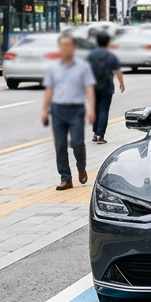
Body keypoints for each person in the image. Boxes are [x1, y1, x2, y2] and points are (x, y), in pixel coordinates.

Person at [42, 34, 96, 191]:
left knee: (77, 142)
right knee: (60, 145)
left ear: (74, 47)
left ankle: (81, 167)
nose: (64, 48)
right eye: (61, 45)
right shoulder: (53, 68)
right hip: (57, 109)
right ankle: (65, 178)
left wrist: (91, 109)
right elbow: (49, 89)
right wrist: (44, 110)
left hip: (76, 110)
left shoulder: (83, 67)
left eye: (67, 45)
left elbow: (89, 88)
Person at [86, 32, 125, 145]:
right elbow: (118, 71)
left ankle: (94, 133)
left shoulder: (91, 55)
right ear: (108, 42)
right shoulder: (111, 56)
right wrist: (121, 83)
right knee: (103, 110)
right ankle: (100, 135)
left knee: (95, 109)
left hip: (93, 86)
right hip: (107, 87)